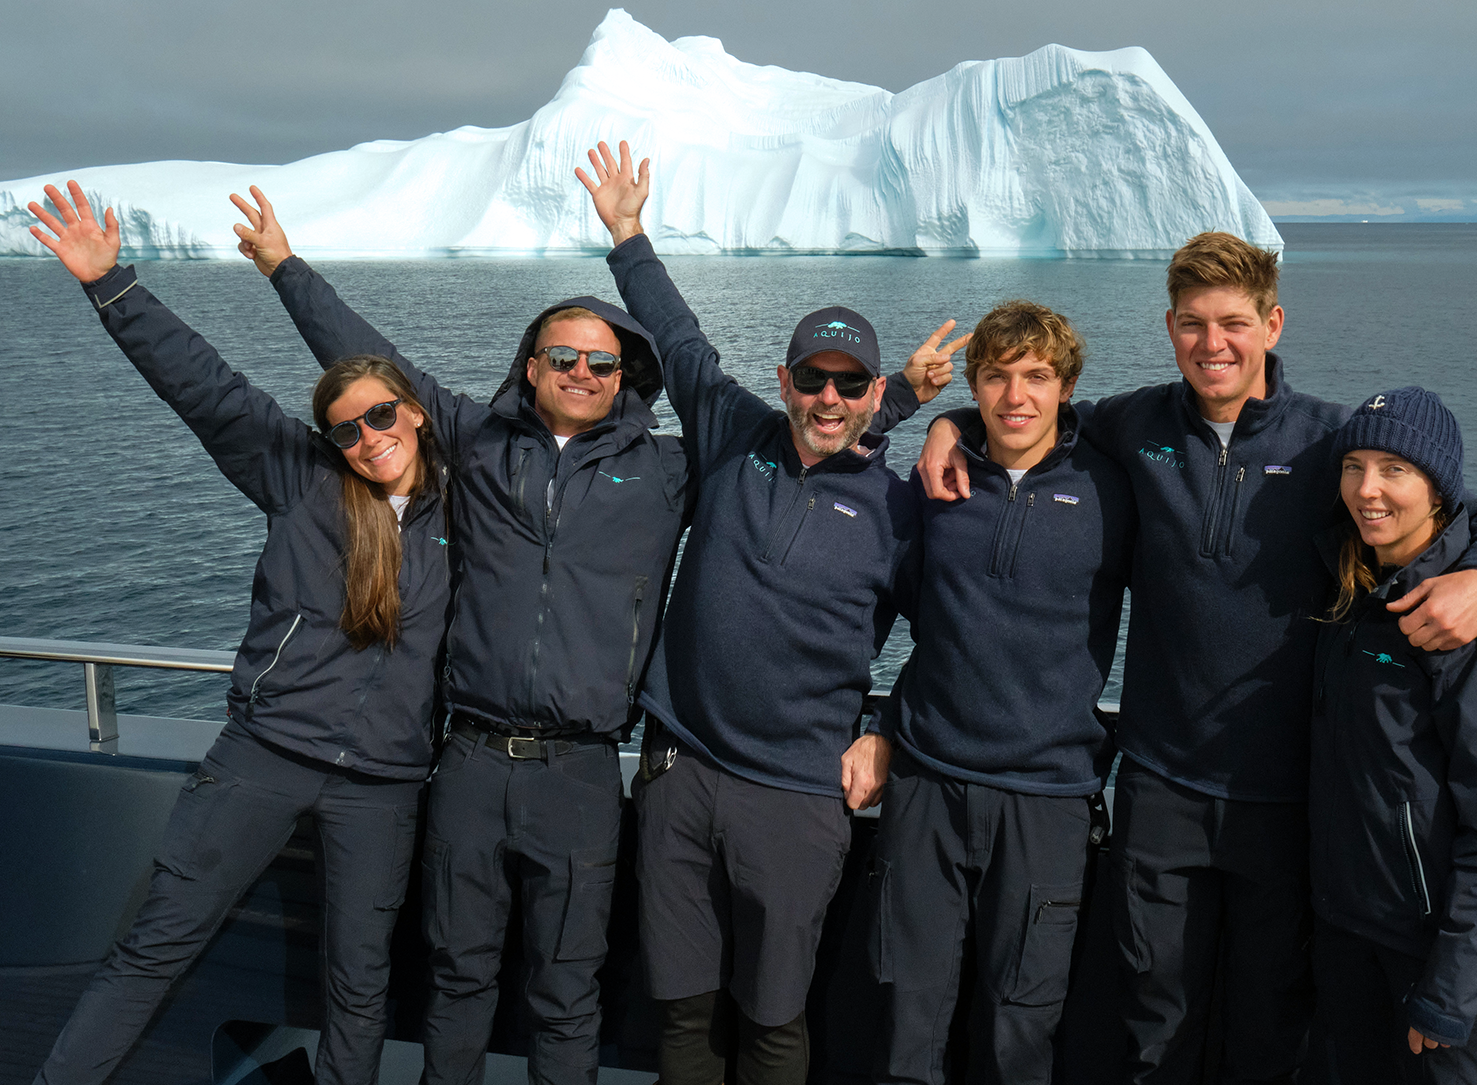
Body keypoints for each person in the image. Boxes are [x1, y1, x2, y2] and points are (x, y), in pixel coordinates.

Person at [235, 163, 958, 1085]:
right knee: (463, 981)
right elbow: (382, 374)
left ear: (625, 377)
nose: (582, 372)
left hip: (594, 770)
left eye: (602, 362)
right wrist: (285, 269)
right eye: (564, 358)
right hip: (482, 759)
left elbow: (829, 442)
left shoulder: (672, 469)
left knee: (581, 992)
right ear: (531, 368)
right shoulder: (489, 442)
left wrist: (917, 412)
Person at [917, 232, 1477, 1083]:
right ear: (1168, 328)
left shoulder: (1330, 444)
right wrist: (948, 422)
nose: (1213, 344)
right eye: (1192, 324)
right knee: (1153, 1024)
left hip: (1286, 802)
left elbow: (1476, 506)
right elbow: (1025, 414)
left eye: (1234, 323)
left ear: (1272, 324)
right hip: (1160, 784)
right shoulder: (1132, 426)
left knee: (1267, 1031)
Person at [24, 181, 453, 1085]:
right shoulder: (300, 478)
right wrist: (113, 288)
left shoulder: (468, 510)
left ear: (415, 412)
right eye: (347, 428)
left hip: (383, 783)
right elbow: (204, 386)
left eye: (384, 415)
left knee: (360, 983)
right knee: (154, 947)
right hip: (264, 756)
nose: (369, 437)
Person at [580, 141, 960, 1085]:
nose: (825, 398)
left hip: (794, 794)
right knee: (681, 1011)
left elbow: (957, 637)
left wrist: (888, 733)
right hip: (681, 769)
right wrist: (627, 234)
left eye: (849, 383)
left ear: (872, 396)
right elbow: (675, 335)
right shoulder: (732, 433)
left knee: (774, 1019)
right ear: (785, 379)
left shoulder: (897, 511)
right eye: (810, 378)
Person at [845, 300, 1135, 1085]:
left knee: (1021, 1033)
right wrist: (882, 727)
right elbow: (876, 585)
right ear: (973, 387)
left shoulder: (1112, 493)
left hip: (1045, 797)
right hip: (928, 786)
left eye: (1037, 378)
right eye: (997, 378)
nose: (1016, 397)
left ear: (1066, 387)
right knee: (908, 1020)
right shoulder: (938, 483)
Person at [1306, 388, 1477, 1084]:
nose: (1366, 489)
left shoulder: (1474, 631)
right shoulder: (1352, 593)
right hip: (1350, 944)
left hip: (1442, 967)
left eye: (1394, 470)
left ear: (1438, 490)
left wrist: (1448, 997)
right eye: (1353, 466)